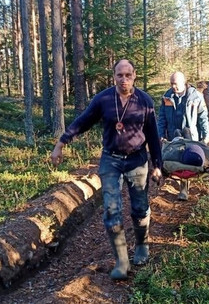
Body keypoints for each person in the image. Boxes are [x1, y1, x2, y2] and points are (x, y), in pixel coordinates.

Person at [50, 59, 163, 281]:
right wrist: (61, 143)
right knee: (111, 210)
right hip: (111, 160)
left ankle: (141, 244)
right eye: (119, 75)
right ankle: (122, 260)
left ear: (134, 75)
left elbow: (153, 135)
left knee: (140, 207)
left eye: (128, 75)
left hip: (138, 160)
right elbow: (83, 122)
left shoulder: (145, 101)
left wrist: (157, 165)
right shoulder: (103, 99)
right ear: (114, 76)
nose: (124, 79)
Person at [158, 71, 209, 200]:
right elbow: (162, 118)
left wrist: (206, 134)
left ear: (183, 82)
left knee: (187, 160)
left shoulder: (196, 96)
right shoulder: (167, 97)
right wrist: (160, 134)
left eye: (175, 84)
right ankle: (182, 187)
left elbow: (203, 117)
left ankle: (185, 188)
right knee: (177, 159)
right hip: (173, 133)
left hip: (191, 134)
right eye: (171, 84)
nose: (173, 86)